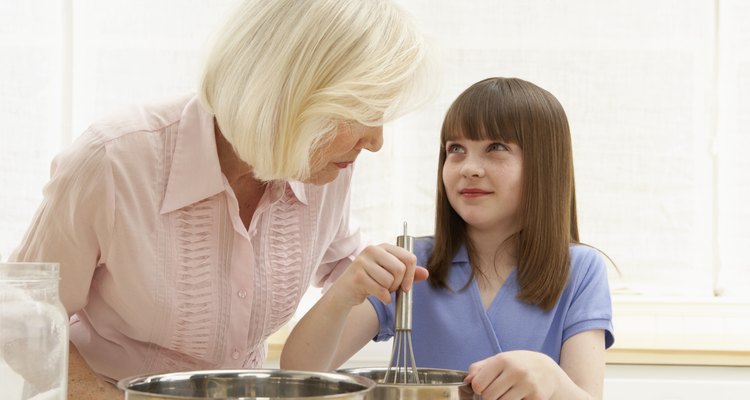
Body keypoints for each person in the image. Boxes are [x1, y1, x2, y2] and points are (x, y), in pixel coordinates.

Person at [9, 0, 433, 398]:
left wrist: (375, 273)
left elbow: (341, 262)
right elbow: (20, 320)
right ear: (294, 95)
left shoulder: (323, 167)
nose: (376, 142)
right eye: (364, 113)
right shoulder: (113, 161)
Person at [281, 77, 615, 400]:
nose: (469, 167)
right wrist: (343, 292)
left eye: (495, 147)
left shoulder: (580, 271)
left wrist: (551, 379)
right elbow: (299, 374)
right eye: (456, 149)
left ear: (544, 164)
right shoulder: (413, 263)